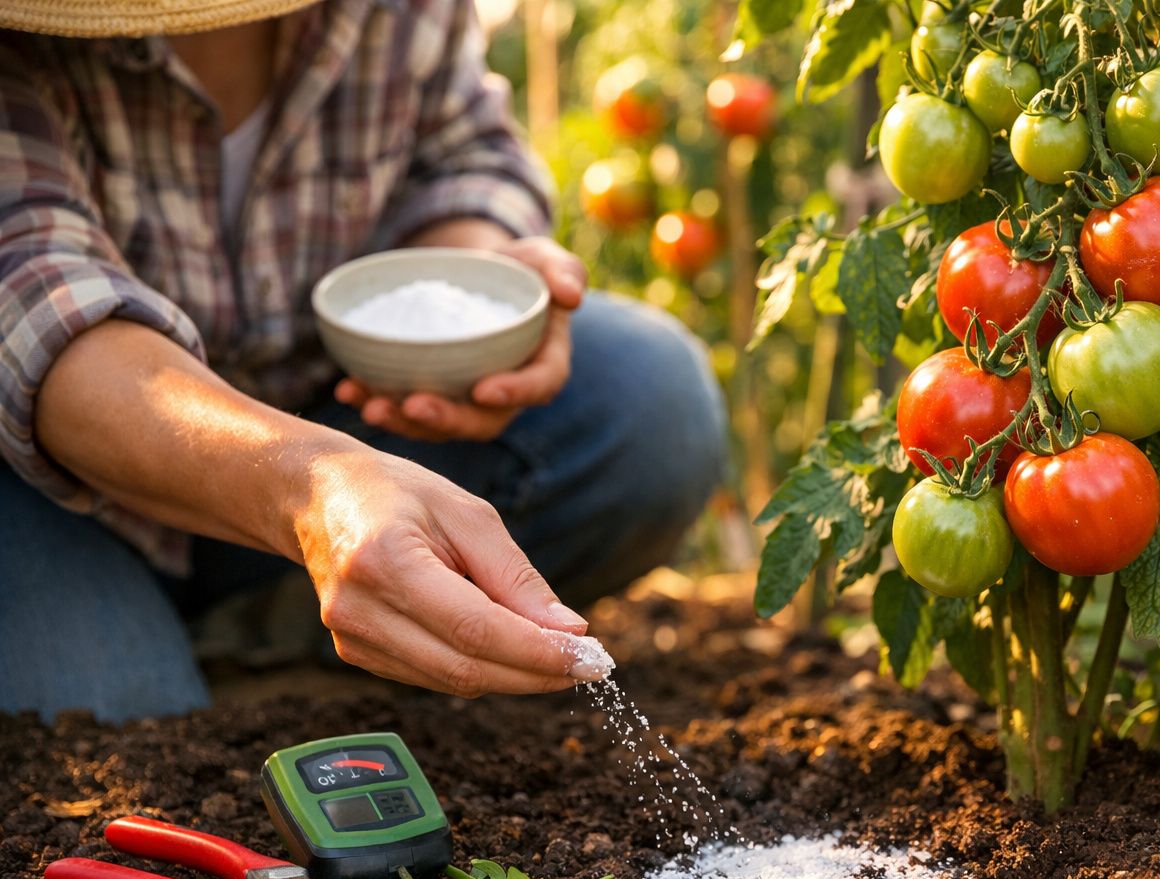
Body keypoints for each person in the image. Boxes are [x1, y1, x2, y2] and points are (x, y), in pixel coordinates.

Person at [0, 0, 727, 722]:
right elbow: (35, 301)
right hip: (65, 497)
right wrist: (312, 487)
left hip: (340, 430)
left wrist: (475, 287)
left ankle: (278, 627)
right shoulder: (24, 47)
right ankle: (218, 637)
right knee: (112, 719)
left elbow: (464, 156)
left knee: (651, 400)